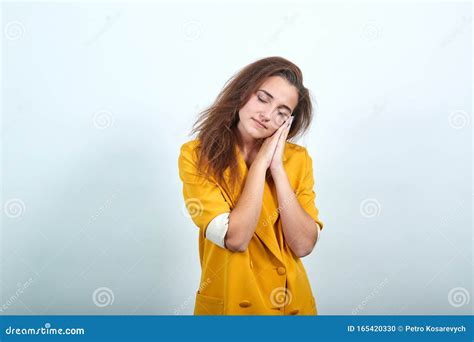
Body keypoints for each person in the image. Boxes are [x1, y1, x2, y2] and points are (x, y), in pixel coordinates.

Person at [178, 56, 324, 315]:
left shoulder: (297, 161)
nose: (267, 115)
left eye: (282, 112)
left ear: (287, 123)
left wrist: (277, 169)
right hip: (230, 306)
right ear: (243, 93)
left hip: (291, 308)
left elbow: (303, 245)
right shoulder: (197, 156)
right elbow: (235, 238)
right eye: (263, 98)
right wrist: (260, 165)